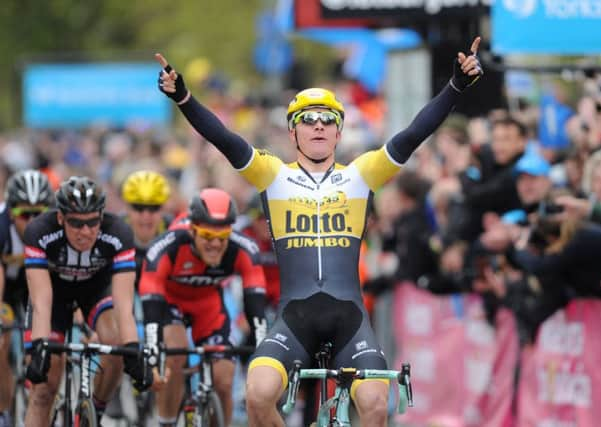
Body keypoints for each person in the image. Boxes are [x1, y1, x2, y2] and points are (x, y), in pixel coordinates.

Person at [155, 36, 483, 427]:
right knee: (258, 397)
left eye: (328, 120)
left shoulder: (361, 175)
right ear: (293, 133)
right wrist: (184, 98)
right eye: (307, 119)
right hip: (294, 319)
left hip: (350, 320)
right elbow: (224, 139)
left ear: (339, 132)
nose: (318, 126)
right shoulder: (272, 174)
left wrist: (456, 87)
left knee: (377, 406)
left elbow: (413, 134)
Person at [22, 176, 154, 427]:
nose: (86, 231)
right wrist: (40, 345)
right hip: (54, 295)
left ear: (102, 217)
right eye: (76, 223)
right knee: (43, 390)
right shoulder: (39, 231)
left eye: (93, 222)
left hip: (95, 290)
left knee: (115, 343)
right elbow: (41, 299)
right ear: (60, 218)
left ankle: (95, 410)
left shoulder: (119, 233)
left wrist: (133, 351)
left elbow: (125, 305)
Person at [140, 188, 267, 427]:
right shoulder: (167, 247)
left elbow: (256, 307)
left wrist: (262, 349)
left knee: (224, 379)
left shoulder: (243, 249)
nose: (216, 244)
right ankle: (166, 422)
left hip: (208, 308)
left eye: (222, 237)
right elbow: (151, 298)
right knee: (175, 354)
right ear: (192, 230)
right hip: (170, 303)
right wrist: (152, 352)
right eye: (207, 236)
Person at [0, 170, 54, 426]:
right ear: (11, 212)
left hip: (37, 287)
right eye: (24, 214)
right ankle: (4, 411)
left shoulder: (55, 228)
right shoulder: (1, 227)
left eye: (39, 212)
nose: (32, 220)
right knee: (2, 337)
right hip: (7, 290)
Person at [121, 170, 173, 289]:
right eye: (138, 208)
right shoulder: (116, 232)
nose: (146, 216)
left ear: (163, 209)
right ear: (127, 208)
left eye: (154, 208)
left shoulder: (173, 231)